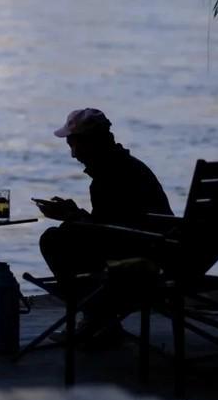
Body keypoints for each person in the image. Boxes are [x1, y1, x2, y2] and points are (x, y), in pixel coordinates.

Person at [33, 108, 173, 345]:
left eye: (74, 145)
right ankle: (100, 317)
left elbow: (110, 232)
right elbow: (115, 225)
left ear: (92, 143)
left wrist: (73, 217)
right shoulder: (131, 167)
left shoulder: (109, 178)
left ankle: (96, 316)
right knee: (66, 233)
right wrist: (75, 215)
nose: (73, 155)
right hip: (160, 251)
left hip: (139, 262)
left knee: (53, 240)